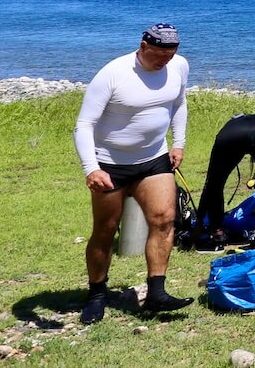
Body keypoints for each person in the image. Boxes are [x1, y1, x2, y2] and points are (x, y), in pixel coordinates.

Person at [73, 22, 193, 323]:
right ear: (143, 47)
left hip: (154, 158)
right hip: (110, 163)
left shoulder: (178, 66)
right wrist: (91, 168)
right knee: (105, 230)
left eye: (170, 55)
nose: (164, 62)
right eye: (158, 56)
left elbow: (179, 103)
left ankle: (157, 292)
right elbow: (83, 125)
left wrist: (178, 143)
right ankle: (97, 295)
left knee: (164, 219)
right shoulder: (113, 73)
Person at [194, 113, 255, 245]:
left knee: (215, 182)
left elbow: (210, 184)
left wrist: (199, 221)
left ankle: (217, 230)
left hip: (232, 135)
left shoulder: (231, 125)